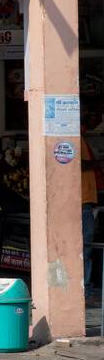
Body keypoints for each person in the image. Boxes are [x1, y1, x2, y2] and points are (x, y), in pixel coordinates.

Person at [82, 113, 101, 294]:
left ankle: (85, 285)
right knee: (85, 246)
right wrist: (96, 162)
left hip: (87, 198)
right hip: (82, 199)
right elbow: (75, 164)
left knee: (86, 245)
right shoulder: (74, 139)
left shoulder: (81, 140)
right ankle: (85, 286)